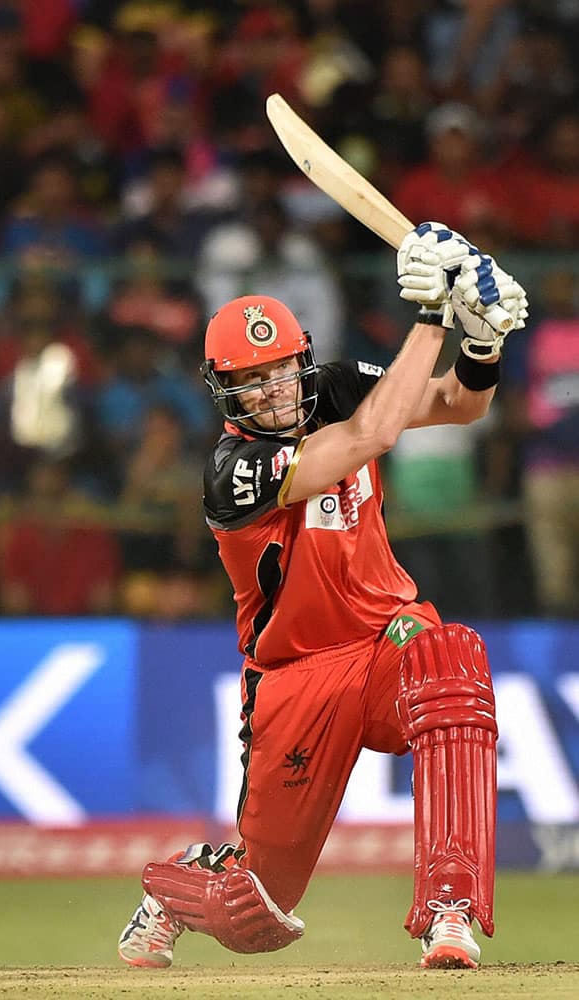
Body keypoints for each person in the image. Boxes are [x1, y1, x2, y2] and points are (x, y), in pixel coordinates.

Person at [116, 221, 528, 971]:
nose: (271, 392)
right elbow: (369, 436)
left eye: (280, 371)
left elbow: (457, 405)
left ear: (301, 361)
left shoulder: (333, 385)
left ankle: (450, 905)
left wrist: (482, 339)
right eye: (249, 381)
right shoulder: (232, 472)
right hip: (296, 678)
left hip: (383, 642)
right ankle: (175, 885)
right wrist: (436, 315)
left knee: (453, 656)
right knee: (257, 912)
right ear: (223, 393)